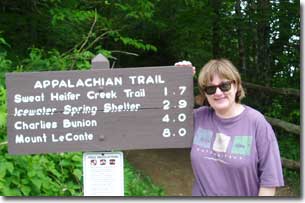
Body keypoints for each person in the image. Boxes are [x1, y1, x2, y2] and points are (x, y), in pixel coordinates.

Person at [175, 59, 284, 196]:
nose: (218, 92)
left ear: (236, 85)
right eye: (211, 88)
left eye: (224, 86)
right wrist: (178, 79)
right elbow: (163, 116)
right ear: (205, 93)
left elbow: (269, 182)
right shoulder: (198, 118)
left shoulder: (257, 123)